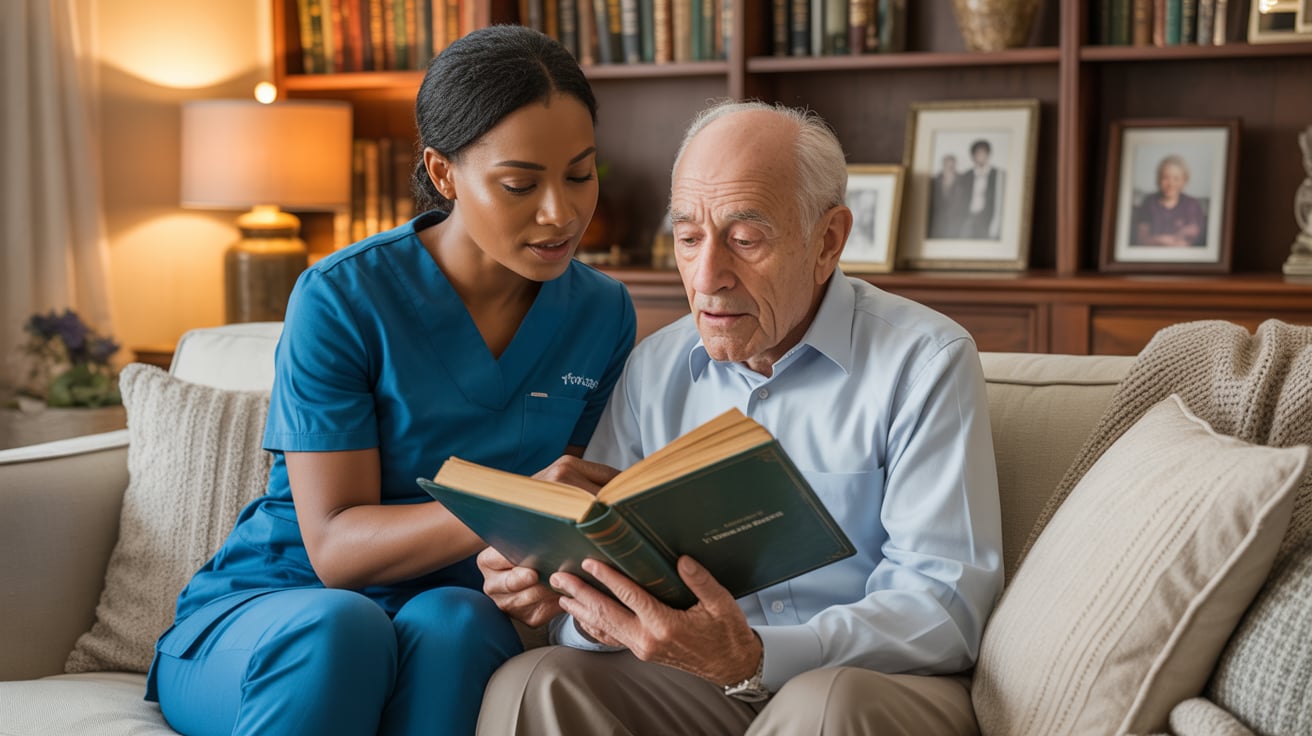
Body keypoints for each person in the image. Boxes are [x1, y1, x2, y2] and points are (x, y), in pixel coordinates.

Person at [146, 25, 636, 736]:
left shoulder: (602, 312)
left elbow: (562, 522)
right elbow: (336, 551)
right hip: (275, 616)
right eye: (520, 184)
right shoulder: (341, 297)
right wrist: (516, 502)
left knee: (459, 621)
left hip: (441, 615)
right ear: (443, 173)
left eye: (581, 175)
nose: (560, 212)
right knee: (340, 629)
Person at [476, 100, 1004, 735]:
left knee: (821, 705)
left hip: (874, 684)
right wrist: (573, 599)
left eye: (745, 240)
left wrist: (757, 655)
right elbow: (596, 579)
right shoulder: (653, 369)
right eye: (688, 238)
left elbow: (944, 606)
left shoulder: (924, 361)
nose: (707, 278)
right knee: (534, 679)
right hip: (697, 682)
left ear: (828, 241)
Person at [1130, 154, 1207, 247]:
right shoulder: (1149, 203)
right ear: (1158, 179)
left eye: (1176, 178)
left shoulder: (1192, 205)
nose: (1171, 183)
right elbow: (1141, 239)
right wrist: (1161, 240)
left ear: (1185, 180)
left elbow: (1196, 238)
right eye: (1165, 178)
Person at [960, 139, 1005, 240]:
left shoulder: (998, 174)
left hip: (987, 219)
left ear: (988, 155)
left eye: (983, 153)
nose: (980, 156)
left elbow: (1000, 201)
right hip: (968, 218)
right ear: (973, 156)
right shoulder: (966, 175)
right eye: (977, 153)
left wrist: (996, 224)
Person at [928, 152, 968, 238]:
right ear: (943, 165)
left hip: (957, 221)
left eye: (952, 166)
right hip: (939, 222)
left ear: (955, 165)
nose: (950, 168)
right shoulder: (935, 181)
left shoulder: (963, 180)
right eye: (947, 165)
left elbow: (965, 202)